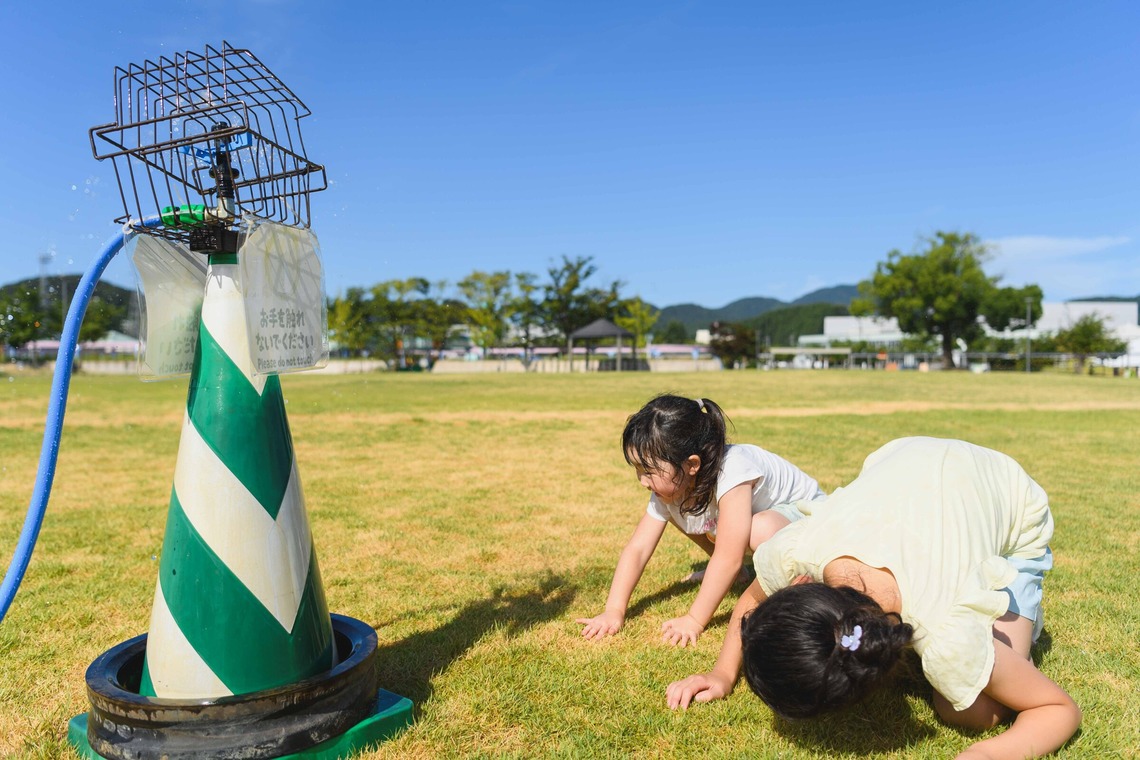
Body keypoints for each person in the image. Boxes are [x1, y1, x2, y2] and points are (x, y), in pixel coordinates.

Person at [666, 436, 1080, 760]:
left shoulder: (947, 634)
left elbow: (1057, 709)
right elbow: (752, 602)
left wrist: (986, 752)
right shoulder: (800, 551)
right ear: (798, 590)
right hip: (909, 459)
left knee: (971, 713)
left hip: (1006, 494)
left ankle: (1013, 594)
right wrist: (722, 674)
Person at [577, 394, 824, 647]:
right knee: (680, 508)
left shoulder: (734, 470)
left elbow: (729, 556)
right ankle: (741, 576)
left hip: (812, 523)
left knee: (758, 530)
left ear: (692, 464)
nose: (642, 481)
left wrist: (694, 619)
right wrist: (614, 610)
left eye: (648, 471)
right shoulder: (674, 486)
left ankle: (802, 579)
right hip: (773, 522)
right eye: (637, 470)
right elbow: (638, 549)